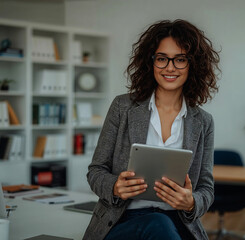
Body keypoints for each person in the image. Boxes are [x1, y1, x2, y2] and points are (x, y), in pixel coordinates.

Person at [83, 19, 220, 240]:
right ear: (151, 62)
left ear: (193, 64)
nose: (170, 67)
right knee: (157, 223)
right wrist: (116, 188)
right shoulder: (122, 107)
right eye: (162, 58)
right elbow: (96, 171)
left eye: (180, 59)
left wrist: (191, 202)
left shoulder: (203, 122)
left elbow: (206, 188)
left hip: (178, 222)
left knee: (163, 225)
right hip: (123, 220)